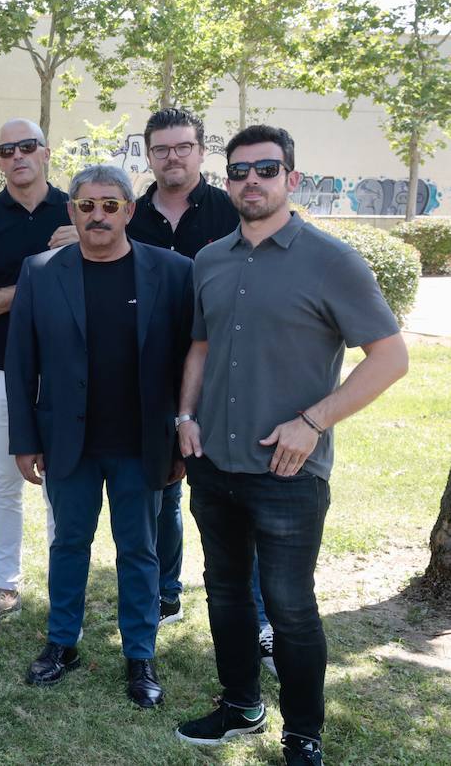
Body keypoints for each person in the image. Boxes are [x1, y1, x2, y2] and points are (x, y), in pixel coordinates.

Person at [175, 126, 408, 765]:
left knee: (289, 606)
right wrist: (184, 415)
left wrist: (314, 421)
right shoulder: (210, 260)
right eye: (239, 171)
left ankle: (303, 734)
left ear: (291, 179)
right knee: (223, 593)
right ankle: (240, 705)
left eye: (266, 169)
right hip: (213, 464)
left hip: (288, 471)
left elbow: (390, 358)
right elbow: (200, 345)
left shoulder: (333, 260)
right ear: (227, 182)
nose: (252, 180)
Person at [5, 164, 193, 708]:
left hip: (142, 442)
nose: (98, 216)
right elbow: (21, 365)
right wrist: (24, 438)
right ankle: (62, 643)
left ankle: (140, 655)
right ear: (72, 211)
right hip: (68, 441)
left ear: (130, 211)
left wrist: (181, 433)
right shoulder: (41, 272)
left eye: (110, 206)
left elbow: (189, 361)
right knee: (68, 542)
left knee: (140, 550)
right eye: (87, 206)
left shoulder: (172, 272)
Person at [0, 117, 76, 631]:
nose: (17, 156)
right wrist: (41, 272)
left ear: (46, 152)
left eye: (27, 146)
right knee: (5, 482)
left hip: (68, 372)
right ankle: (6, 586)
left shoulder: (80, 209)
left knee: (63, 485)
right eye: (7, 150)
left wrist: (80, 254)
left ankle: (61, 592)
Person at [125, 107, 240, 628]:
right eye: (161, 149)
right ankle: (165, 591)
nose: (172, 157)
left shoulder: (231, 209)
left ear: (201, 150)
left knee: (229, 496)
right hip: (146, 371)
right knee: (162, 488)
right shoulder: (130, 213)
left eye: (183, 147)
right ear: (148, 155)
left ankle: (248, 608)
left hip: (222, 372)